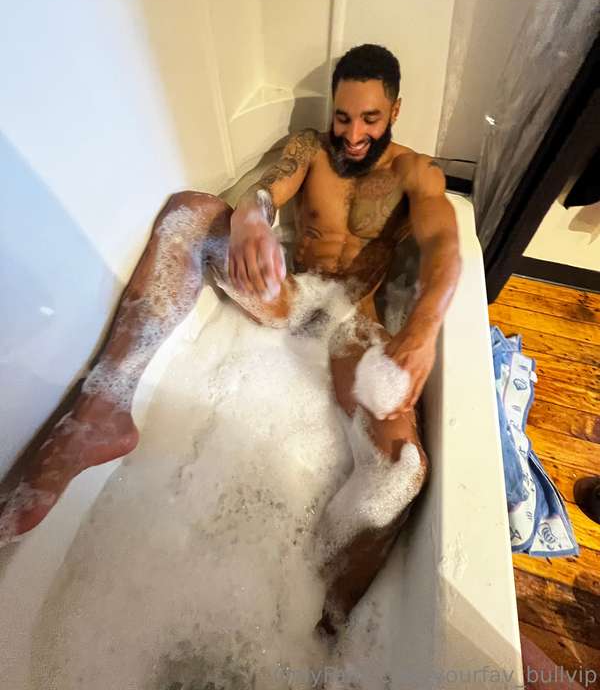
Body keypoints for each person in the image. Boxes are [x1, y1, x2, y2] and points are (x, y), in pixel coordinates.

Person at [0, 44, 461, 635]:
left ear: (395, 110)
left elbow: (444, 246)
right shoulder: (310, 149)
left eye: (369, 119)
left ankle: (318, 623)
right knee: (190, 211)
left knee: (400, 472)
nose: (352, 135)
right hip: (292, 294)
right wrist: (251, 219)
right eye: (343, 117)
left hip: (352, 322)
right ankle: (102, 410)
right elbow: (267, 186)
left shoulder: (414, 172)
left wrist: (422, 330)